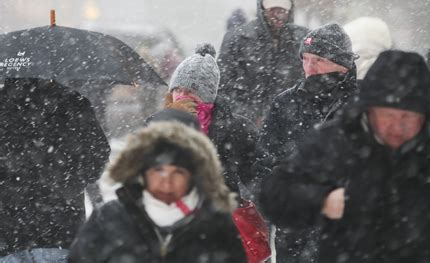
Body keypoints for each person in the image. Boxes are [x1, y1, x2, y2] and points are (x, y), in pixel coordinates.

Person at [259, 50, 430, 262]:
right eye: (387, 116)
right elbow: (274, 194)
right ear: (369, 111)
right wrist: (322, 200)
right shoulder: (340, 138)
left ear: (426, 115)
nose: (397, 126)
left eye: (408, 117)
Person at [68, 120, 246, 262]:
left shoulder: (216, 225)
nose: (166, 182)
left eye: (178, 172)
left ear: (193, 176)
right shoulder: (108, 218)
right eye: (158, 171)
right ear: (142, 172)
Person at [255, 23, 358, 262]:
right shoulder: (285, 103)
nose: (309, 68)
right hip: (295, 235)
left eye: (319, 60)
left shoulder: (365, 103)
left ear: (342, 65)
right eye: (305, 59)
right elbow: (263, 164)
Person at [0, 78, 110, 260]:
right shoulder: (72, 103)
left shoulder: (3, 105)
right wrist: (69, 182)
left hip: (7, 232)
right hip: (61, 227)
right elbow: (97, 158)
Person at [162, 43, 257, 195]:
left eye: (191, 91)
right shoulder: (156, 125)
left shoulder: (237, 129)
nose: (181, 96)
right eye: (177, 90)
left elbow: (256, 181)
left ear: (207, 96)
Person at [218, 0, 309, 124]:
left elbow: (310, 87)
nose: (278, 14)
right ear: (262, 8)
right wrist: (250, 118)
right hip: (244, 130)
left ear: (290, 9)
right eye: (272, 8)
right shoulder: (237, 39)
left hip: (289, 130)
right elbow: (223, 91)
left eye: (283, 9)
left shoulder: (304, 40)